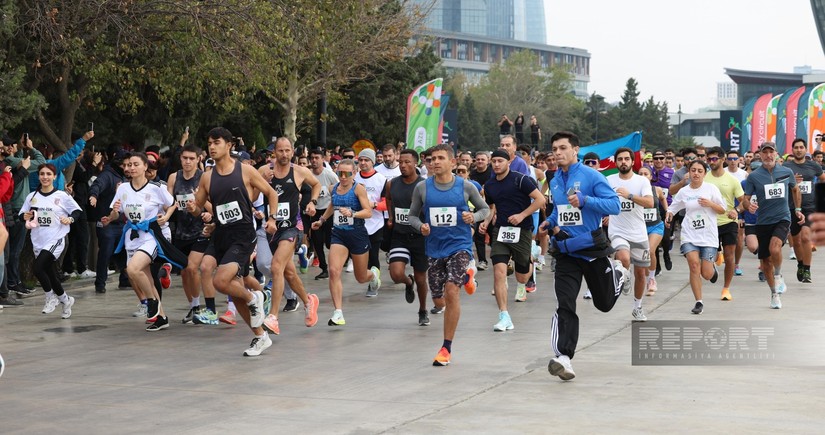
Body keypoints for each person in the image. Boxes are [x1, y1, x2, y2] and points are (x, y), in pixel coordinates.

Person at [539, 132, 629, 381]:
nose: (557, 153)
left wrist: (586, 200)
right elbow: (560, 210)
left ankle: (619, 275)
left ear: (575, 149)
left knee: (604, 304)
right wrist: (549, 221)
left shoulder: (591, 176)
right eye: (554, 148)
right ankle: (564, 358)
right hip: (566, 250)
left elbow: (614, 206)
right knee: (565, 303)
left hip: (591, 249)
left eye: (562, 148)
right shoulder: (555, 179)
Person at [187, 127, 273, 356]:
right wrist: (194, 209)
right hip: (220, 233)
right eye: (209, 143)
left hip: (243, 235)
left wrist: (272, 219)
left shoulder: (245, 170)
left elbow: (271, 193)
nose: (212, 147)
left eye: (216, 143)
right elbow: (198, 209)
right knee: (214, 274)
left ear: (229, 145)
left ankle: (255, 296)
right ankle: (260, 336)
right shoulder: (207, 177)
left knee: (222, 281)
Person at [407, 144, 489, 366]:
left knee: (452, 291)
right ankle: (468, 276)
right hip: (434, 249)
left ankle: (446, 347)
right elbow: (412, 216)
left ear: (452, 162)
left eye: (440, 158)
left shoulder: (466, 186)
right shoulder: (422, 188)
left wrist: (474, 217)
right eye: (432, 159)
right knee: (439, 298)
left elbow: (485, 210)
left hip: (459, 245)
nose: (434, 162)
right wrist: (420, 226)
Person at [104, 152, 181, 331]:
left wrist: (165, 217)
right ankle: (161, 317)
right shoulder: (122, 188)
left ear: (145, 167)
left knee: (133, 269)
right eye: (128, 165)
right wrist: (112, 215)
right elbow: (116, 213)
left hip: (151, 235)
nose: (131, 167)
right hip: (132, 235)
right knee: (142, 276)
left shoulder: (156, 188)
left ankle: (151, 302)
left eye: (135, 164)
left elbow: (172, 204)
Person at [255, 137, 320, 335]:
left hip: (293, 228)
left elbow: (316, 185)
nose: (284, 154)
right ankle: (309, 301)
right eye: (280, 151)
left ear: (292, 152)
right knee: (288, 273)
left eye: (287, 150)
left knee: (276, 266)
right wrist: (261, 184)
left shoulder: (299, 171)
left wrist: (312, 203)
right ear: (274, 152)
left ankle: (273, 316)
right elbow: (251, 195)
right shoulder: (264, 171)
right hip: (272, 230)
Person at [479, 148, 545, 331]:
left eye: (501, 161)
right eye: (494, 161)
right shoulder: (490, 185)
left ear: (509, 162)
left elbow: (540, 200)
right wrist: (485, 222)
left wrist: (522, 215)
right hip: (500, 230)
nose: (497, 164)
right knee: (499, 271)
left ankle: (530, 256)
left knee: (522, 275)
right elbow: (492, 208)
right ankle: (504, 315)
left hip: (522, 230)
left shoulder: (521, 179)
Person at [311, 159, 380, 326]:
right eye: (340, 173)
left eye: (347, 174)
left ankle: (373, 275)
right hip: (339, 235)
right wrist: (321, 220)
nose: (343, 177)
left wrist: (352, 213)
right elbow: (333, 206)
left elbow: (368, 212)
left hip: (357, 234)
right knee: (334, 271)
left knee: (361, 277)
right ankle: (338, 313)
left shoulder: (358, 189)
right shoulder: (333, 188)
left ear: (354, 174)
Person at [743, 142, 803, 309]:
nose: (768, 155)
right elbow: (746, 198)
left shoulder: (786, 171)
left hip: (782, 218)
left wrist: (797, 209)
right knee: (766, 262)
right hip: (763, 221)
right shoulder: (754, 176)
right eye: (765, 153)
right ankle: (774, 294)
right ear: (760, 155)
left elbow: (795, 189)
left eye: (771, 152)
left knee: (775, 248)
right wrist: (749, 205)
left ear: (776, 154)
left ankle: (778, 275)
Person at [20, 163, 82, 318]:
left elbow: (77, 211)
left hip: (56, 239)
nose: (45, 177)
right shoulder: (32, 196)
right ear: (38, 176)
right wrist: (25, 217)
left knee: (38, 267)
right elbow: (22, 215)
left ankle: (50, 297)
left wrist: (70, 219)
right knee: (50, 273)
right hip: (38, 240)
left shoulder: (61, 196)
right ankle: (66, 300)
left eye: (48, 174)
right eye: (42, 174)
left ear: (55, 177)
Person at [666, 160, 726, 314]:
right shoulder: (684, 191)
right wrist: (669, 215)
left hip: (708, 236)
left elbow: (722, 210)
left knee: (706, 274)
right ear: (689, 172)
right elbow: (673, 208)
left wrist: (710, 204)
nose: (696, 173)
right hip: (689, 235)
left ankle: (712, 269)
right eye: (693, 170)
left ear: (704, 174)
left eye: (700, 170)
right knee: (693, 266)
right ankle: (698, 302)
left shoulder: (711, 189)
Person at [167, 144, 216, 324]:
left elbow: (214, 204)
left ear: (198, 159)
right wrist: (165, 215)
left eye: (191, 158)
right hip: (181, 231)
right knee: (185, 273)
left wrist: (204, 209)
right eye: (184, 158)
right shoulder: (174, 177)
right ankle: (194, 306)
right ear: (180, 159)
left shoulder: (204, 178)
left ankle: (201, 307)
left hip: (201, 230)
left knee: (192, 267)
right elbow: (168, 202)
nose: (187, 162)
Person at [605, 147, 654, 321]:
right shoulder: (609, 180)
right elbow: (601, 200)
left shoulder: (641, 181)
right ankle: (624, 276)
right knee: (624, 258)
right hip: (618, 231)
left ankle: (637, 307)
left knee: (641, 274)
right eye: (620, 159)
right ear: (616, 162)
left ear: (633, 162)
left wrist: (630, 195)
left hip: (639, 233)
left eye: (627, 159)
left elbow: (649, 202)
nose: (623, 162)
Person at [386, 149, 431, 326]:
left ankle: (422, 310)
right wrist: (390, 216)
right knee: (396, 274)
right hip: (400, 235)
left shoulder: (425, 185)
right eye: (401, 162)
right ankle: (407, 281)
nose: (403, 165)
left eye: (407, 162)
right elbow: (388, 199)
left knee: (422, 279)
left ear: (415, 164)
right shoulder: (392, 183)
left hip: (420, 236)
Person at [5, 134, 47, 296]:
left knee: (15, 250)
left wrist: (23, 150)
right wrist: (31, 147)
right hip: (16, 210)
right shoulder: (13, 161)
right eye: (12, 145)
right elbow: (41, 162)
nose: (13, 147)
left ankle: (15, 281)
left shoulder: (15, 161)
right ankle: (13, 282)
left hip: (17, 209)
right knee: (15, 250)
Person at [704, 147, 746, 301]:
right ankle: (716, 257)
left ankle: (726, 289)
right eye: (709, 159)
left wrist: (736, 210)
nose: (711, 162)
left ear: (723, 159)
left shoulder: (732, 180)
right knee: (711, 258)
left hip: (729, 222)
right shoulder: (704, 178)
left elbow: (744, 202)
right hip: (709, 223)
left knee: (730, 257)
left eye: (714, 159)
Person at [782, 138, 825, 283]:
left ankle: (807, 269)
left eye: (801, 147)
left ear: (805, 149)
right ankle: (800, 264)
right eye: (796, 147)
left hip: (809, 207)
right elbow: (778, 183)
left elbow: (822, 178)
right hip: (792, 207)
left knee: (806, 237)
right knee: (796, 241)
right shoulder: (786, 166)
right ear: (792, 150)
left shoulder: (813, 165)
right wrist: (791, 180)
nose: (799, 150)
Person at [89, 146, 129, 293]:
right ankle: (100, 283)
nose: (126, 167)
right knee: (105, 252)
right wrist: (93, 196)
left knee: (123, 252)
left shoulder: (125, 177)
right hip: (107, 222)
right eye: (123, 165)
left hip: (122, 222)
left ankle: (124, 280)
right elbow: (97, 185)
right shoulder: (107, 175)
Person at [354, 149, 387, 296]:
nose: (363, 163)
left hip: (375, 224)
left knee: (373, 256)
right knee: (360, 256)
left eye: (366, 160)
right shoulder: (354, 178)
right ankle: (370, 276)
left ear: (372, 162)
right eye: (360, 160)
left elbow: (387, 203)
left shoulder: (381, 179)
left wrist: (374, 205)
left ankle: (373, 284)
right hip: (358, 223)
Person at [308, 148, 339, 280]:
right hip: (314, 211)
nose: (314, 160)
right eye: (312, 158)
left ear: (322, 159)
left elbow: (339, 187)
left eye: (317, 158)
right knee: (317, 241)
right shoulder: (308, 175)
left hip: (328, 211)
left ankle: (336, 265)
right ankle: (324, 268)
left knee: (329, 242)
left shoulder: (329, 174)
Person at [637, 166, 667, 296]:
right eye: (640, 174)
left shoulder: (657, 189)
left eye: (646, 174)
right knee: (643, 255)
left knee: (650, 250)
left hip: (656, 226)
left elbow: (662, 199)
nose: (643, 176)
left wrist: (667, 211)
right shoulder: (634, 192)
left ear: (651, 176)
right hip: (639, 227)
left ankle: (652, 279)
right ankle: (647, 278)